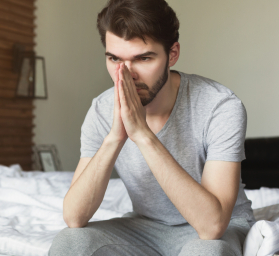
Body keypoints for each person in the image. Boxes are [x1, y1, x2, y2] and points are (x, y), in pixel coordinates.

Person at [49, 0, 254, 255]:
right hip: (145, 227)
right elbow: (74, 217)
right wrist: (115, 137)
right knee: (69, 243)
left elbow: (211, 226)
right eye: (114, 59)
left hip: (218, 229)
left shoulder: (220, 106)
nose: (126, 74)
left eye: (143, 58)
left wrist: (143, 135)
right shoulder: (101, 110)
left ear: (173, 54)